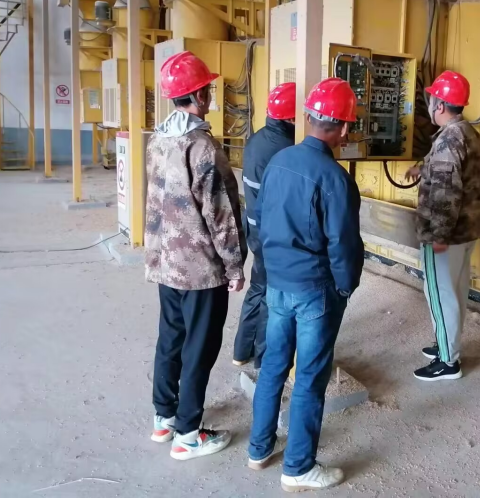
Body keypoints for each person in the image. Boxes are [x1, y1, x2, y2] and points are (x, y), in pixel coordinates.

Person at [247, 78, 364, 492]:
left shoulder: (279, 161)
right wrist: (345, 287)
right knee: (311, 378)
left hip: (277, 284)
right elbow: (344, 245)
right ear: (343, 127)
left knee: (273, 367)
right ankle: (298, 467)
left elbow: (260, 221)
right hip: (314, 289)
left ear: (310, 118)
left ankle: (259, 449)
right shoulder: (335, 179)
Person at [144, 51, 247, 461]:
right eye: (209, 89)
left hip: (166, 263)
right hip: (201, 270)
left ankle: (164, 418)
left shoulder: (158, 140)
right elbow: (221, 214)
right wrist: (235, 266)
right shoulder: (203, 147)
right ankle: (188, 434)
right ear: (200, 95)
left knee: (171, 339)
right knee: (199, 349)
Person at [405, 70, 480, 381]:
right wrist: (422, 169)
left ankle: (447, 361)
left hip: (446, 234)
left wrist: (438, 235)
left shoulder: (447, 140)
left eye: (431, 100)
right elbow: (458, 172)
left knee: (440, 294)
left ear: (439, 105)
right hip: (468, 230)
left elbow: (445, 192)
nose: (429, 105)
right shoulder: (467, 132)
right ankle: (447, 343)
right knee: (455, 291)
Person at [232, 83, 296, 369]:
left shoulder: (257, 138)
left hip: (254, 228)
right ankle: (264, 357)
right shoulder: (287, 148)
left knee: (257, 287)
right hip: (273, 234)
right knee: (273, 293)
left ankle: (241, 351)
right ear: (292, 117)